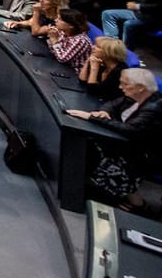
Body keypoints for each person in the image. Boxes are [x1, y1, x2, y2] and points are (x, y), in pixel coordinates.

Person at [66, 67, 161, 209]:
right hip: (127, 144)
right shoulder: (135, 96)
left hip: (143, 156)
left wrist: (92, 118)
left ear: (141, 87)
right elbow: (112, 104)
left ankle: (137, 203)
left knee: (96, 151)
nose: (120, 87)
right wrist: (103, 112)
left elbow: (131, 130)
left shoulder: (154, 107)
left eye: (125, 84)